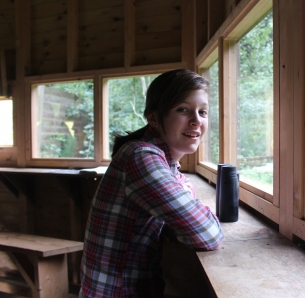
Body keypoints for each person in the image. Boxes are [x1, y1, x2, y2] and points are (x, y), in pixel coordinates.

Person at [79, 69, 224, 297]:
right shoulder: (140, 156)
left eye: (203, 112)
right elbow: (207, 233)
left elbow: (187, 195)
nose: (197, 121)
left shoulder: (164, 162)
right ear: (154, 117)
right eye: (183, 110)